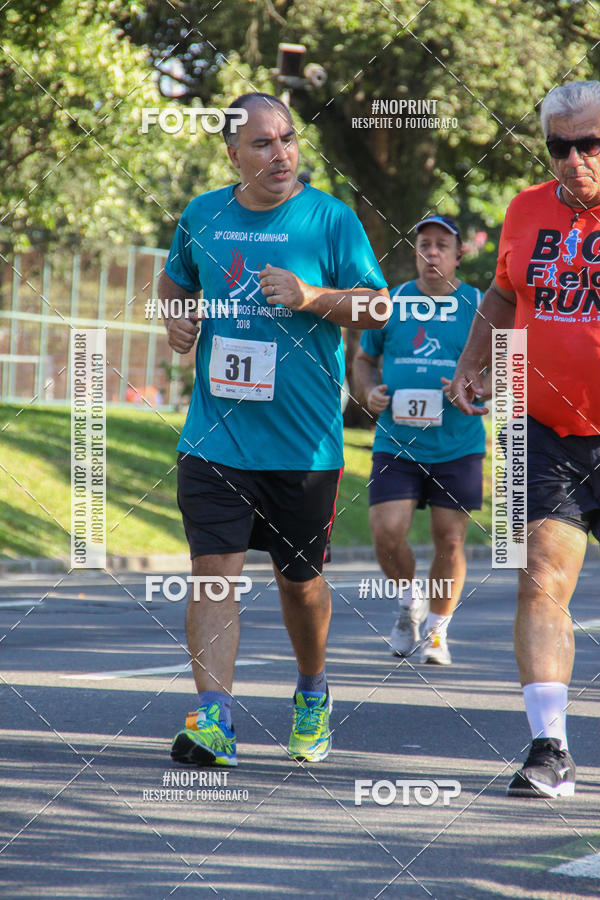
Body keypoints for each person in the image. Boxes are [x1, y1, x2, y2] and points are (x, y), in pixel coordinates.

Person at [158, 92, 390, 767]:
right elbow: (173, 284)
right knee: (213, 574)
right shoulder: (203, 214)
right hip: (216, 437)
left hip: (303, 446)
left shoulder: (331, 219)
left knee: (300, 583)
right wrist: (175, 320)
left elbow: (378, 307)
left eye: (287, 138)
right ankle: (213, 719)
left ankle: (313, 690)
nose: (281, 153)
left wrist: (311, 296)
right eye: (262, 143)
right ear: (233, 153)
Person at [450, 80, 600, 798]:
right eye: (559, 147)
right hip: (534, 423)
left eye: (590, 144)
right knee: (539, 576)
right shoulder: (524, 209)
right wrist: (472, 360)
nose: (574, 160)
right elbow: (505, 292)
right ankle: (550, 748)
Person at [354, 215, 486, 665]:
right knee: (386, 533)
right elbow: (364, 359)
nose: (431, 253)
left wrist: (477, 388)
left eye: (441, 246)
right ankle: (409, 602)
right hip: (397, 441)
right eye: (424, 245)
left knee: (449, 540)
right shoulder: (390, 302)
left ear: (458, 254)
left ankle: (437, 631)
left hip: (457, 443)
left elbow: (506, 365)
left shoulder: (479, 305)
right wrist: (368, 390)